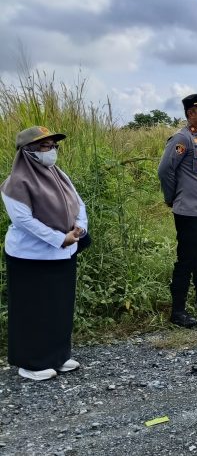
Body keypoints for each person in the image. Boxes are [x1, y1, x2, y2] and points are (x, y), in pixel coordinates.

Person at [2, 126, 88, 381]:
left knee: (59, 306)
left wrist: (79, 227)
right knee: (33, 309)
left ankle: (57, 356)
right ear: (27, 152)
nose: (51, 151)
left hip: (63, 253)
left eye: (53, 146)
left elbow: (78, 203)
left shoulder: (58, 175)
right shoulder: (15, 184)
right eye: (45, 146)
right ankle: (31, 363)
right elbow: (24, 221)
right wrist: (59, 238)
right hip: (30, 257)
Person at [157, 93, 197, 328]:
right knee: (188, 260)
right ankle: (178, 310)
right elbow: (165, 171)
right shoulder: (181, 138)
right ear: (191, 114)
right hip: (190, 212)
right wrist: (172, 198)